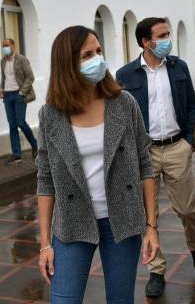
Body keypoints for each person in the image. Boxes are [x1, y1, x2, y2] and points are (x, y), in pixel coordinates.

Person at [36, 25, 160, 303]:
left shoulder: (123, 103)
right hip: (73, 222)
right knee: (63, 299)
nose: (97, 60)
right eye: (87, 55)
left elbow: (145, 165)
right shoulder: (51, 115)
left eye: (99, 51)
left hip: (122, 220)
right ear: (67, 64)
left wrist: (151, 227)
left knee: (120, 299)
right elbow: (45, 180)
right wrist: (45, 243)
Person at [116, 17, 195, 297]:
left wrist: (190, 142)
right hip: (145, 153)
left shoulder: (179, 67)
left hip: (177, 146)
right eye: (162, 35)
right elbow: (120, 117)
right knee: (148, 214)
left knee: (187, 209)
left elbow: (192, 106)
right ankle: (156, 269)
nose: (168, 39)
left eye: (169, 33)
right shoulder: (125, 75)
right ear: (146, 42)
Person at [0, 38, 38, 164]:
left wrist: (22, 92)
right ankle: (17, 154)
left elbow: (30, 77)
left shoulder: (21, 59)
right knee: (12, 125)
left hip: (19, 95)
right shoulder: (3, 61)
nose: (4, 47)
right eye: (3, 46)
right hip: (7, 96)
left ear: (13, 46)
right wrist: (1, 88)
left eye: (7, 45)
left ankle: (34, 144)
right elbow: (4, 77)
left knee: (21, 122)